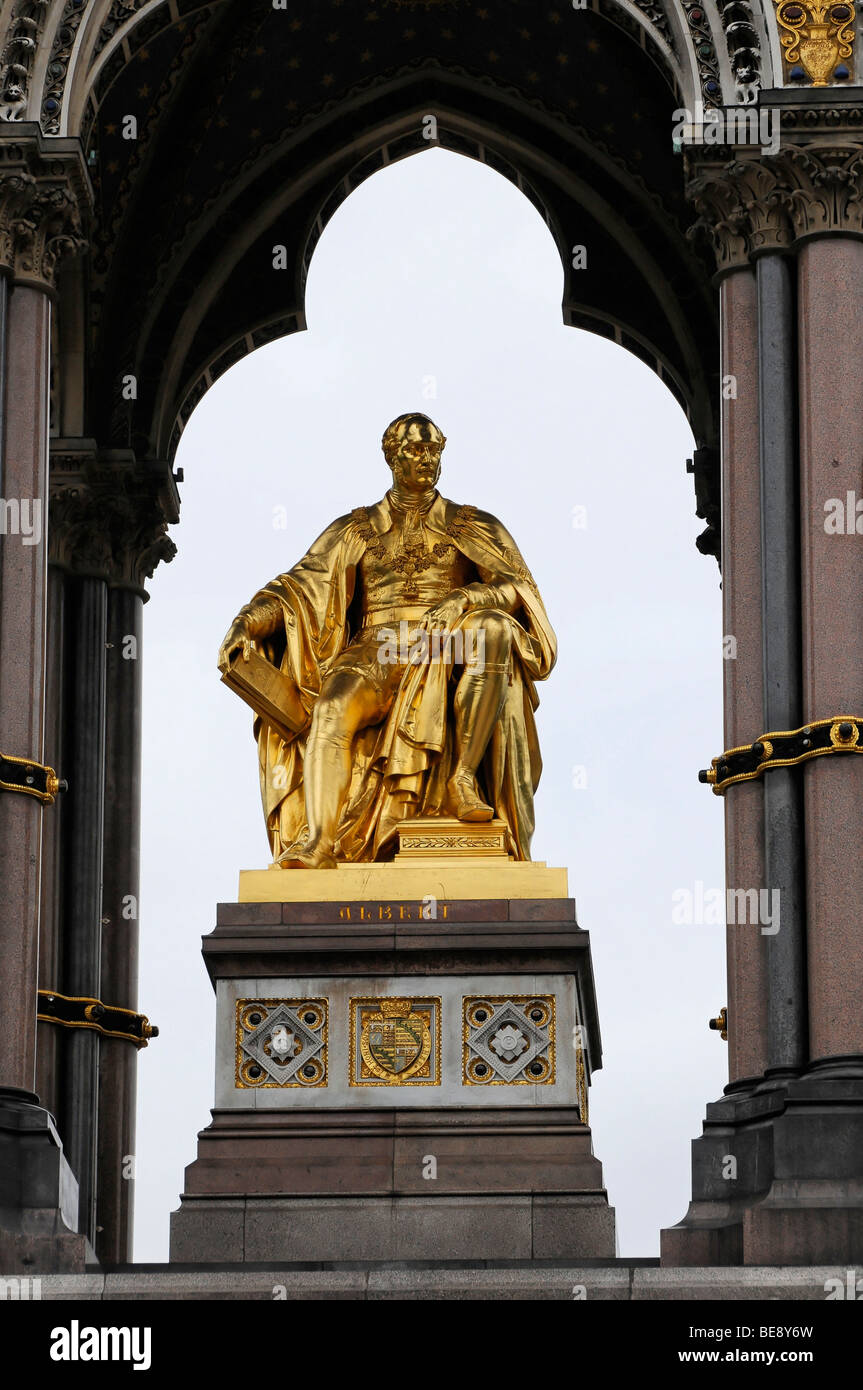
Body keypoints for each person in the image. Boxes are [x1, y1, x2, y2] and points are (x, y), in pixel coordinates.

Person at [217, 412, 556, 867]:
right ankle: (318, 840)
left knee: (493, 629)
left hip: (446, 642)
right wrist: (247, 622)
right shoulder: (355, 528)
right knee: (333, 707)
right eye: (416, 449)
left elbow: (519, 590)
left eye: (434, 449)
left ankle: (461, 778)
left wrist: (467, 598)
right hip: (376, 646)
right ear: (392, 456)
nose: (427, 459)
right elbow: (297, 587)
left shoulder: (473, 524)